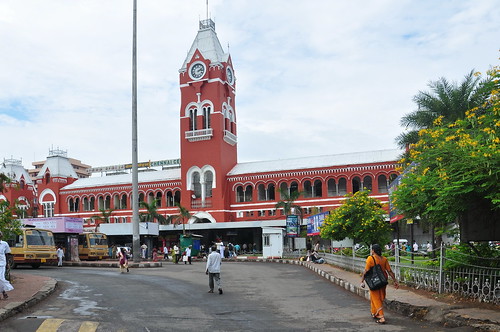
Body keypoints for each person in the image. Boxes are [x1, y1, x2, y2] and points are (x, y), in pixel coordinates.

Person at [360, 244, 399, 324]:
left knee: (375, 297)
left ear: (373, 250)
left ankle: (381, 317)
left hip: (374, 281)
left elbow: (366, 270)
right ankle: (375, 313)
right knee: (380, 296)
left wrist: (362, 281)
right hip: (383, 280)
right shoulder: (384, 259)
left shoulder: (370, 258)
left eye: (372, 250)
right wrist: (395, 280)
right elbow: (389, 271)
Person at [0, 231, 14, 299]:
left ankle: (3, 292)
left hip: (2, 264)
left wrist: (7, 263)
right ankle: (3, 292)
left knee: (1, 278)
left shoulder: (4, 244)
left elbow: (7, 254)